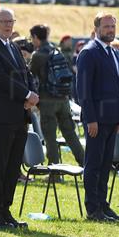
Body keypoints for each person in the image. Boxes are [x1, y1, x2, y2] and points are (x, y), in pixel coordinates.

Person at [0, 8, 38, 229]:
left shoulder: (12, 45)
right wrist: (26, 94)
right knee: (0, 164)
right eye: (3, 21)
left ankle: (5, 211)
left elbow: (26, 73)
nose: (8, 25)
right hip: (0, 114)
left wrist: (31, 94)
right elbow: (0, 79)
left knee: (13, 166)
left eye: (11, 21)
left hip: (19, 113)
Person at [76, 12, 119, 222]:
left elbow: (118, 88)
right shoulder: (89, 52)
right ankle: (93, 208)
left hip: (112, 119)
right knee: (94, 164)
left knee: (106, 164)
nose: (110, 30)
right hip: (96, 119)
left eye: (113, 26)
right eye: (106, 26)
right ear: (96, 28)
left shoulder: (114, 53)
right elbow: (83, 90)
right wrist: (91, 119)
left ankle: (104, 206)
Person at [29, 24, 84, 167]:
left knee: (50, 137)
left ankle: (54, 171)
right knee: (70, 134)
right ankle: (85, 163)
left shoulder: (38, 55)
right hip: (63, 99)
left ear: (36, 37)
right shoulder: (56, 50)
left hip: (47, 101)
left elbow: (30, 74)